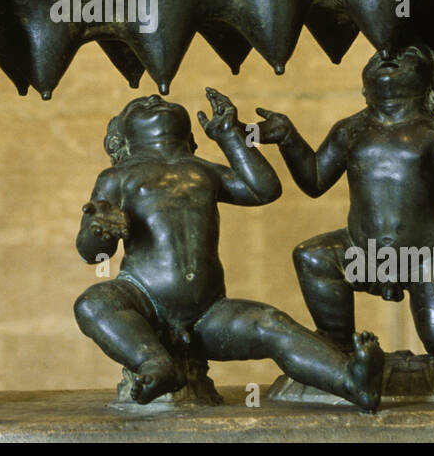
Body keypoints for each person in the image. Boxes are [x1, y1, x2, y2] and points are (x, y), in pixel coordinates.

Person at [74, 88, 383, 410]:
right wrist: (100, 232)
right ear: (120, 140)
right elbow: (92, 255)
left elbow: (262, 189)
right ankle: (154, 363)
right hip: (143, 298)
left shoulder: (203, 170)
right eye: (138, 105)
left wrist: (230, 136)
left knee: (271, 323)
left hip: (209, 312)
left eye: (159, 100)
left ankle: (351, 380)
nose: (153, 98)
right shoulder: (117, 176)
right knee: (94, 303)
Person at [256, 45, 434, 360]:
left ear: (432, 80)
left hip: (424, 260)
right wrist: (288, 139)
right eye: (376, 55)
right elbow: (315, 180)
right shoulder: (350, 130)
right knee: (312, 257)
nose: (386, 55)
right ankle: (339, 345)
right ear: (364, 85)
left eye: (409, 53)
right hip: (362, 252)